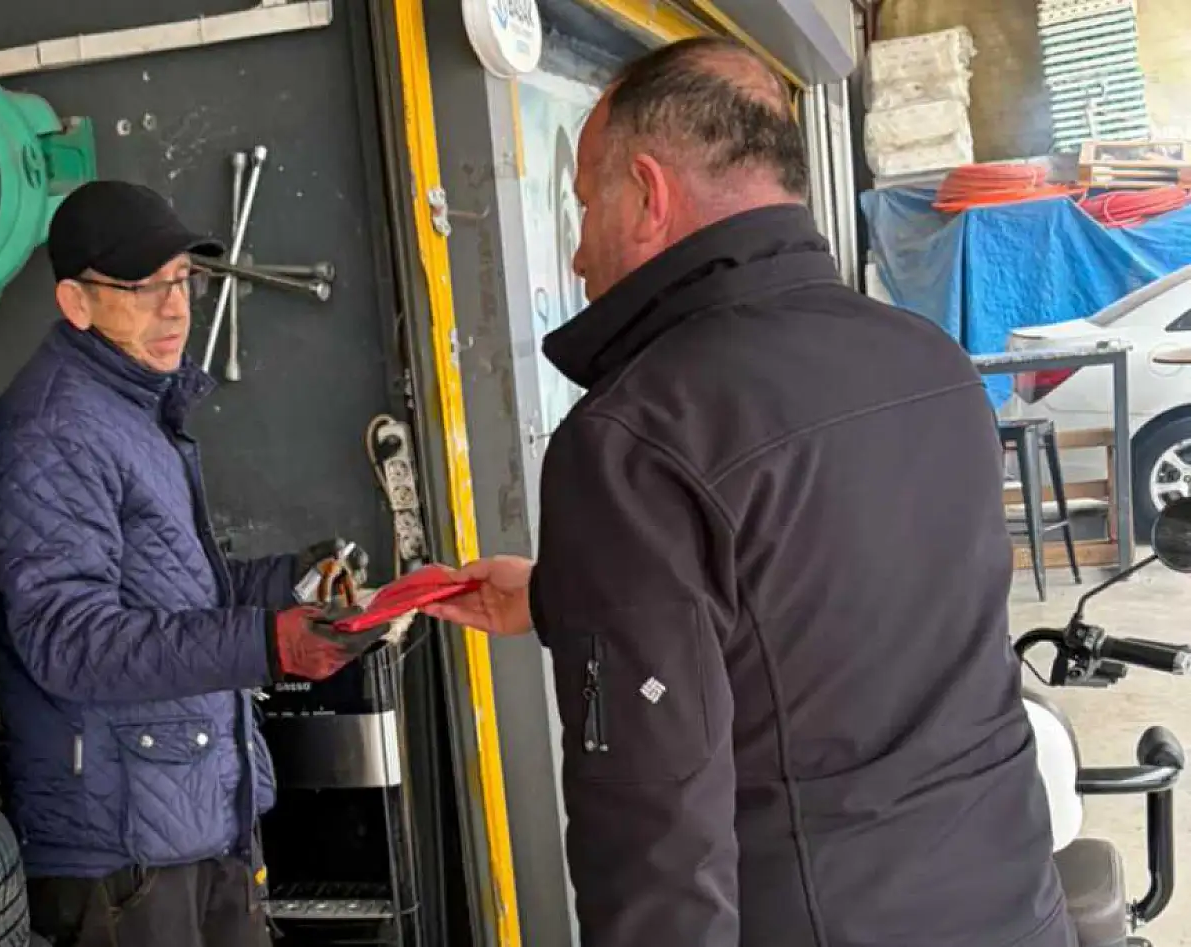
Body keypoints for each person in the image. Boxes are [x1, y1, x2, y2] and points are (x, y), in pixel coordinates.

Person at [425, 38, 1076, 947]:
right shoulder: (928, 360)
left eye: (582, 204)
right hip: (1015, 908)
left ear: (647, 195)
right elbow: (829, 592)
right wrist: (560, 592)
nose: (576, 254)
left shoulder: (635, 435)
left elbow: (656, 841)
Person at [0, 180, 391, 947]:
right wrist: (270, 643)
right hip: (120, 856)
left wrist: (301, 578)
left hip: (196, 820)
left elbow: (188, 595)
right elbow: (70, 639)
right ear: (76, 302)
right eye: (142, 286)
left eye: (182, 279)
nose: (174, 306)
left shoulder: (133, 410)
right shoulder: (49, 434)